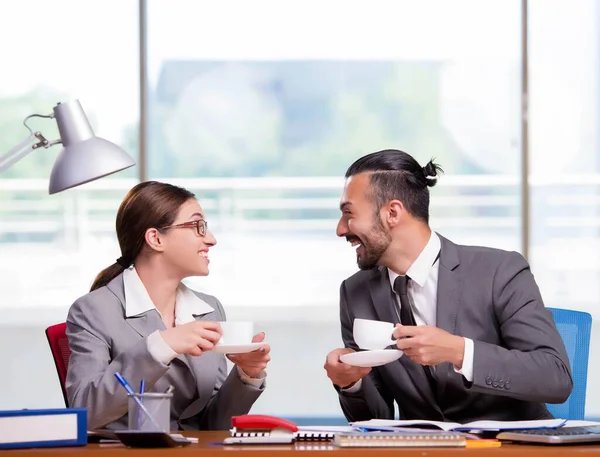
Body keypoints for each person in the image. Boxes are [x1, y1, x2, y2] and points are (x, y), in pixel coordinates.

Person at [324, 149, 572, 423]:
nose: (340, 229)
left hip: (510, 447)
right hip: (425, 451)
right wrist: (351, 383)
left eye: (349, 214)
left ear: (392, 213)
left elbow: (555, 378)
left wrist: (460, 351)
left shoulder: (498, 271)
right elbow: (377, 417)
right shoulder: (355, 293)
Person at [66, 181, 270, 430]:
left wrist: (246, 375)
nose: (211, 239)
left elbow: (211, 426)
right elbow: (84, 412)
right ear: (155, 238)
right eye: (198, 226)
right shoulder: (93, 311)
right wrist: (161, 346)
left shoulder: (209, 309)